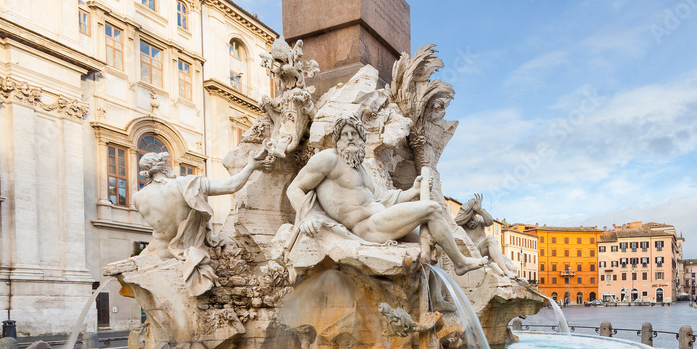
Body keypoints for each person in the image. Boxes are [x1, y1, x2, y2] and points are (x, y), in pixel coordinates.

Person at [285, 116, 486, 275]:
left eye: (354, 134)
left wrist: (413, 191)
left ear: (362, 139)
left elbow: (381, 198)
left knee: (434, 243)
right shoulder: (328, 160)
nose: (349, 138)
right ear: (337, 140)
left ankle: (437, 299)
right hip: (366, 228)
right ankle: (460, 263)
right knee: (432, 209)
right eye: (344, 134)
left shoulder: (361, 169)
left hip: (380, 220)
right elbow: (294, 188)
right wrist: (307, 216)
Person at [135, 149, 265, 294]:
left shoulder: (138, 197)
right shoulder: (188, 184)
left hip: (156, 255)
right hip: (189, 253)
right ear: (164, 166)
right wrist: (251, 165)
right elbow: (230, 186)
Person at [454, 193, 518, 279]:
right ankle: (506, 271)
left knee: (512, 267)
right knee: (490, 238)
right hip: (475, 252)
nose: (472, 219)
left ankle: (504, 269)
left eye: (473, 215)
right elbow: (453, 223)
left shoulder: (479, 220)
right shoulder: (461, 225)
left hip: (488, 251)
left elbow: (490, 222)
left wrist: (480, 210)